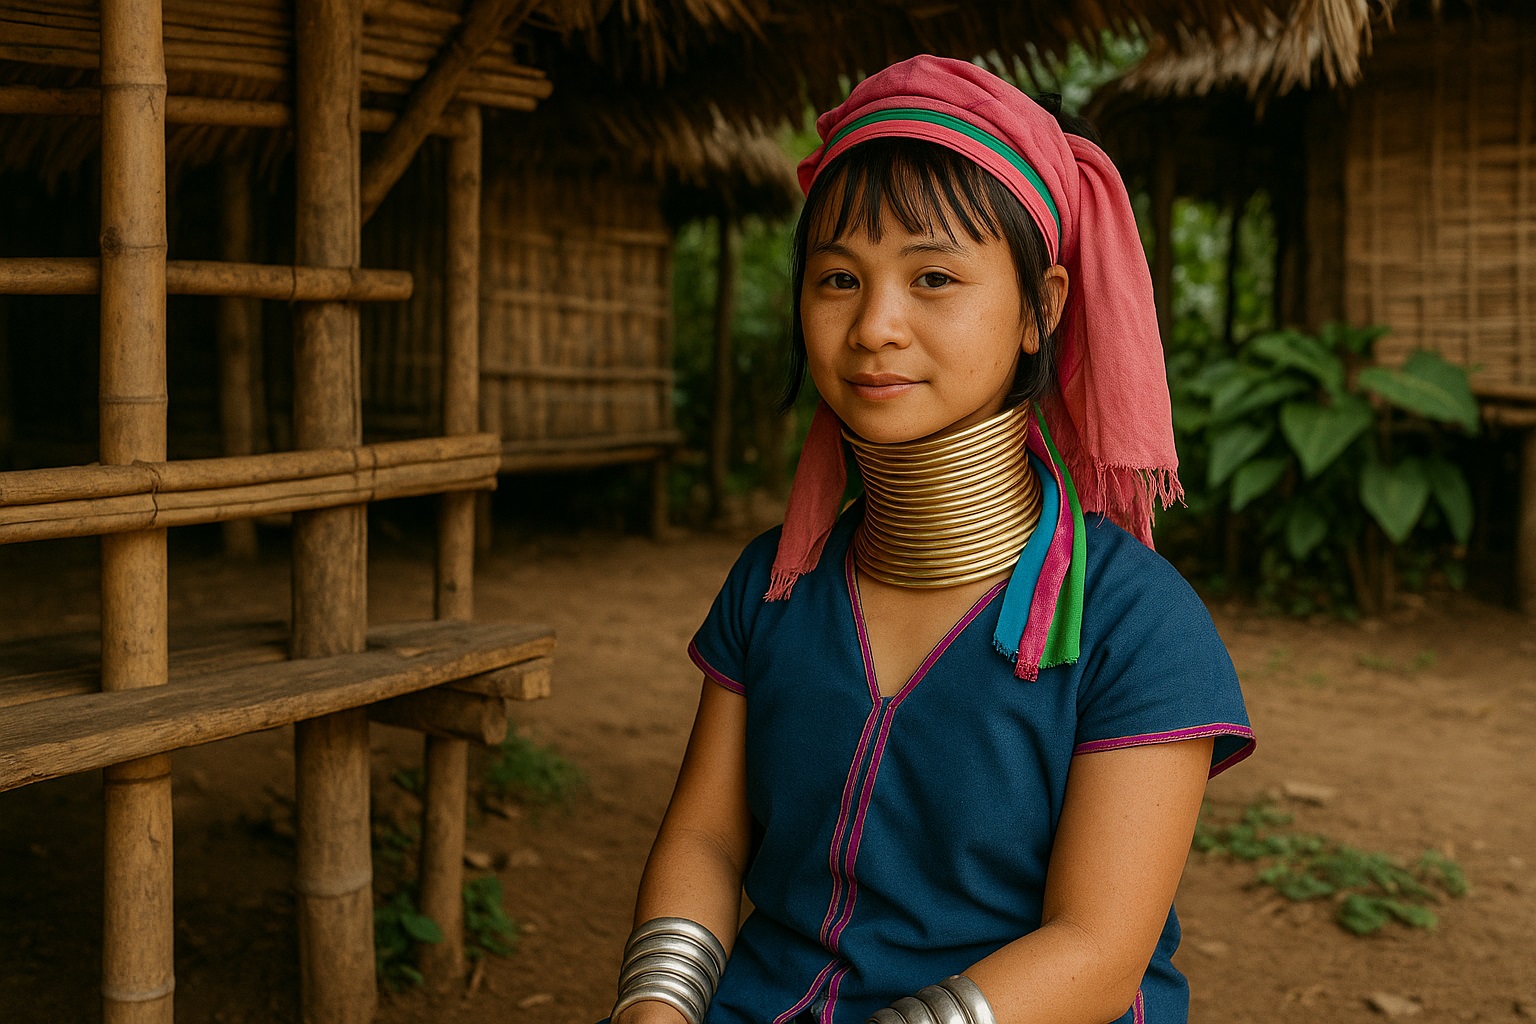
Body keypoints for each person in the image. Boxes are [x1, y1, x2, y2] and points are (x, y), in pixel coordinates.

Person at [606, 55, 1255, 1024]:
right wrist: (652, 1011)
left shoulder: (1140, 625)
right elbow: (705, 841)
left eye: (935, 276)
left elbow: (1097, 952)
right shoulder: (775, 587)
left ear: (1044, 307)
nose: (875, 326)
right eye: (838, 278)